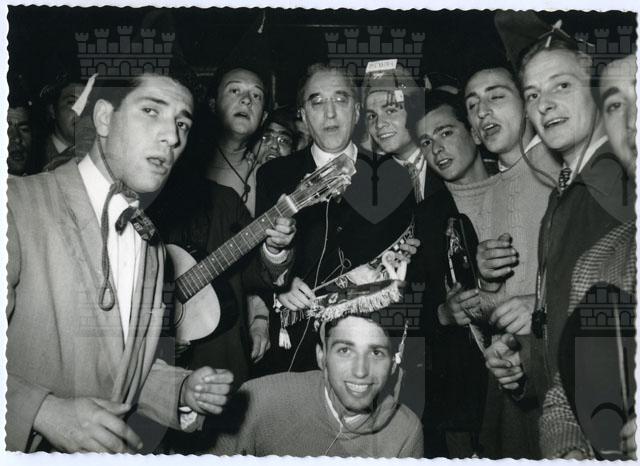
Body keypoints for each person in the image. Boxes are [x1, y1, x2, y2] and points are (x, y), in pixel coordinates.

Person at [6, 71, 235, 453]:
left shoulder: (152, 247)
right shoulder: (15, 204)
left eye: (182, 123)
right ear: (103, 119)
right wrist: (42, 412)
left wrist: (182, 390)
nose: (172, 136)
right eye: (151, 111)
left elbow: (122, 370)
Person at [494, 9, 635, 429]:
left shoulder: (618, 186)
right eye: (532, 94)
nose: (545, 104)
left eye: (562, 85)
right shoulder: (566, 193)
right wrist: (526, 361)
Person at [256, 63, 416, 374]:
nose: (330, 114)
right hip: (297, 344)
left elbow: (404, 269)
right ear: (303, 115)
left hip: (368, 345)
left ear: (356, 112)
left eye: (341, 100)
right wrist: (281, 284)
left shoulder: (394, 176)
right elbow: (256, 257)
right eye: (317, 102)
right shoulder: (274, 176)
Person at [538, 54, 637, 461]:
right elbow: (566, 396)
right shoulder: (597, 262)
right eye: (615, 104)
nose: (631, 120)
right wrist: (569, 452)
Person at [463, 63, 560, 458]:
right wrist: (486, 281)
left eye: (496, 96)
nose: (483, 111)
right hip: (513, 373)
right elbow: (494, 309)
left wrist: (540, 306)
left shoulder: (565, 168)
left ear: (527, 104)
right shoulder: (489, 190)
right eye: (472, 105)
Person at [209, 311, 423, 458]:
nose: (360, 371)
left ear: (393, 364)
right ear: (322, 357)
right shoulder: (258, 400)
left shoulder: (404, 432)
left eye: (376, 353)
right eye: (345, 351)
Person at [407, 89, 490, 458]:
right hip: (463, 400)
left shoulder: (519, 189)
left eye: (445, 132)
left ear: (473, 131)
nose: (437, 148)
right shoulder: (425, 217)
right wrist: (442, 313)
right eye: (426, 141)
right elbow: (409, 307)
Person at [362, 62, 426, 202]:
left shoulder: (446, 159)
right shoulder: (370, 180)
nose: (379, 124)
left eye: (390, 111)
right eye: (372, 116)